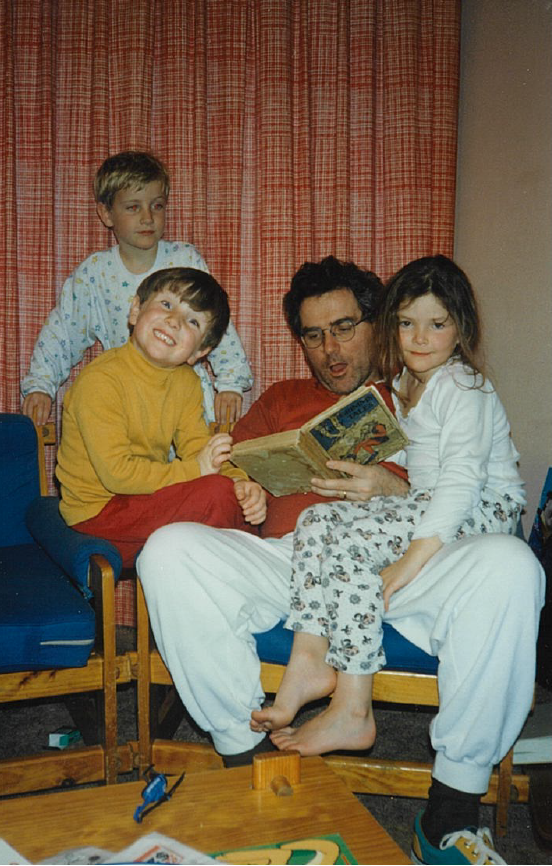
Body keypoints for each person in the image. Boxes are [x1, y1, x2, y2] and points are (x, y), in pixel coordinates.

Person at [136, 256, 544, 865]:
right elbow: (224, 464)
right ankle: (246, 759)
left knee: (513, 565)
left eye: (345, 327)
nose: (330, 348)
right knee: (166, 550)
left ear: (378, 324)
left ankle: (451, 813)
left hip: (412, 567)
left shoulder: (419, 385)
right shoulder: (281, 397)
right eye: (313, 334)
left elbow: (458, 487)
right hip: (291, 565)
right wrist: (238, 481)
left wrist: (389, 485)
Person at [252, 256, 525, 767]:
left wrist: (413, 558)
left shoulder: (464, 387)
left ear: (461, 327)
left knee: (352, 548)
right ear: (392, 326)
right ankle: (310, 658)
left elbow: (461, 480)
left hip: (482, 507)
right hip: (431, 498)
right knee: (317, 519)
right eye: (407, 323)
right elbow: (417, 455)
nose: (420, 338)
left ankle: (353, 705)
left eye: (437, 324)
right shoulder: (405, 386)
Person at [21, 150, 252, 428]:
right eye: (133, 207)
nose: (147, 217)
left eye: (157, 206)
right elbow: (62, 333)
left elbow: (215, 323)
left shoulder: (185, 260)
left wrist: (230, 383)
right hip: (126, 400)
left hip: (184, 399)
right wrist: (41, 385)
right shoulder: (95, 273)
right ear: (106, 213)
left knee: (195, 465)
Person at [56, 267, 265, 567]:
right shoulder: (101, 380)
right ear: (135, 310)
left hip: (141, 501)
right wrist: (200, 471)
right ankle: (233, 591)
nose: (174, 320)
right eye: (167, 304)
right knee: (216, 495)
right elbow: (117, 473)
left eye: (193, 321)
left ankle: (240, 590)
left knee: (238, 498)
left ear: (200, 351)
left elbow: (197, 447)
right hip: (96, 514)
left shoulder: (186, 381)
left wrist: (240, 483)